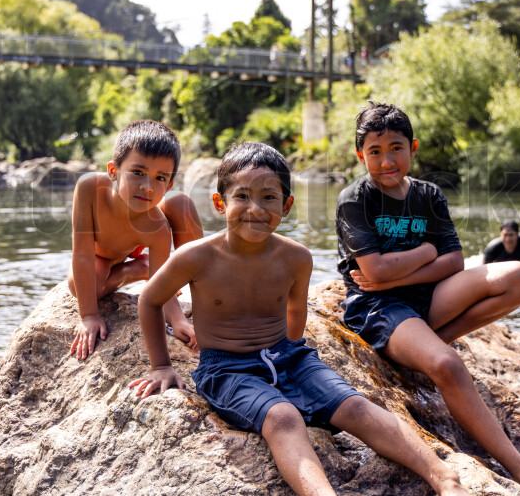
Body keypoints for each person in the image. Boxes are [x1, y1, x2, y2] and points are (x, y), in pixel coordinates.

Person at [131, 142, 470, 496]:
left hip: (289, 356)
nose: (255, 209)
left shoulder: (296, 257)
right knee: (283, 417)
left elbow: (295, 311)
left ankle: (445, 478)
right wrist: (161, 366)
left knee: (354, 404)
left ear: (287, 205)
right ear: (220, 203)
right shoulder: (195, 256)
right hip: (227, 369)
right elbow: (149, 300)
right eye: (242, 196)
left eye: (268, 198)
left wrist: (297, 366)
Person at [336, 103, 520, 496]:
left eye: (396, 148)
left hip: (429, 299)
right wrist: (426, 253)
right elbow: (373, 274)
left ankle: (431, 337)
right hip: (380, 308)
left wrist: (411, 266)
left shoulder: (429, 194)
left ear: (414, 148)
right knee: (446, 364)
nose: (387, 160)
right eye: (375, 152)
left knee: (518, 276)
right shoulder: (355, 199)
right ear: (361, 155)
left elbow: (454, 261)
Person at [67, 119, 202, 360]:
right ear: (113, 171)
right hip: (102, 253)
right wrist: (89, 316)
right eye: (137, 173)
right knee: (81, 287)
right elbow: (82, 254)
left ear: (169, 184)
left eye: (160, 178)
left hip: (141, 232)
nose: (148, 187)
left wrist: (179, 320)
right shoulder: (89, 189)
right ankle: (138, 269)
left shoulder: (158, 227)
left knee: (182, 205)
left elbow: (162, 287)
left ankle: (201, 291)